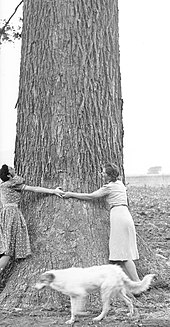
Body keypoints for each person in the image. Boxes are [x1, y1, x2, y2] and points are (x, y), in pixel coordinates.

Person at [62, 163, 140, 282]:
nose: (102, 174)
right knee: (123, 253)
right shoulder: (120, 184)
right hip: (125, 214)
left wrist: (70, 194)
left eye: (104, 172)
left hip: (118, 216)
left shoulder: (109, 187)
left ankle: (137, 283)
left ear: (109, 175)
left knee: (124, 256)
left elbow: (91, 196)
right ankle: (132, 282)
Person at [0, 164, 64, 274]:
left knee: (7, 246)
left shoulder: (3, 185)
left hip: (5, 214)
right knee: (8, 251)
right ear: (9, 175)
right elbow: (34, 189)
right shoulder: (13, 183)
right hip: (12, 214)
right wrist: (53, 191)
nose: (14, 169)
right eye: (11, 169)